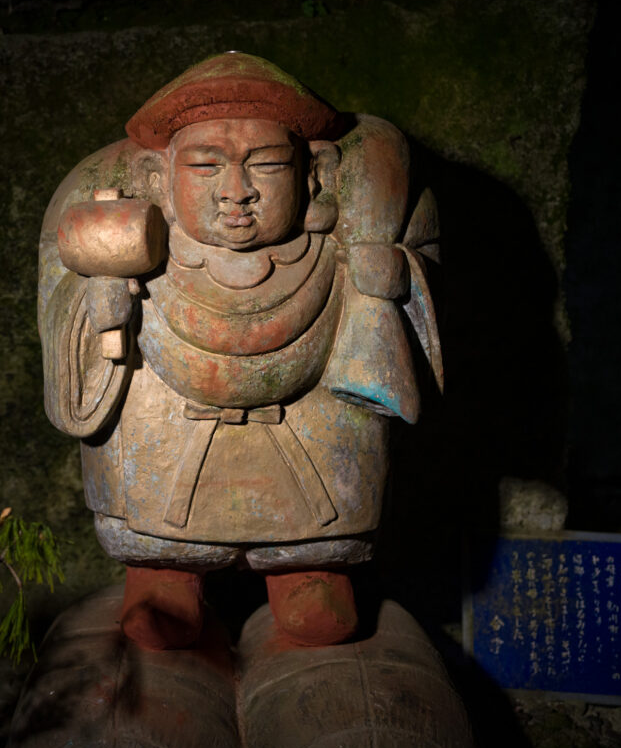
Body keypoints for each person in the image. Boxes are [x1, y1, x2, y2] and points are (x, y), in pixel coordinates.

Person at [39, 53, 442, 650]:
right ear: (159, 179)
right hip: (170, 438)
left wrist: (390, 275)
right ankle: (164, 575)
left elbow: (410, 281)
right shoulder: (131, 237)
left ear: (315, 172)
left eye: (268, 164)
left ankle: (308, 572)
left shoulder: (335, 244)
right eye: (205, 167)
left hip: (310, 451)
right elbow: (63, 291)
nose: (237, 194)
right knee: (156, 536)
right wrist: (94, 308)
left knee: (322, 539)